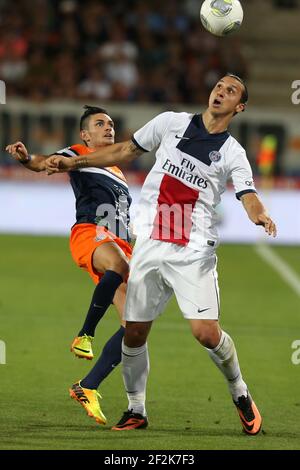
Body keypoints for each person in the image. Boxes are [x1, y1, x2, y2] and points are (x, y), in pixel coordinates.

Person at [45, 74, 277, 435]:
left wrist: (257, 211)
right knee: (134, 332)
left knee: (205, 333)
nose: (221, 92)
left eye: (231, 91)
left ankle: (240, 392)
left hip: (193, 250)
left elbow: (246, 192)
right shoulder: (172, 122)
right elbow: (125, 150)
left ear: (240, 107)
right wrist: (73, 163)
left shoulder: (233, 152)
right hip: (151, 243)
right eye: (219, 86)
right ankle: (136, 410)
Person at [6, 106, 133, 425]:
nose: (109, 128)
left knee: (135, 328)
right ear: (85, 135)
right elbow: (45, 163)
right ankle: (85, 334)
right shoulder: (78, 154)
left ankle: (87, 386)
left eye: (112, 124)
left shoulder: (117, 170)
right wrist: (26, 159)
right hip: (90, 234)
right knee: (117, 264)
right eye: (100, 124)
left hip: (119, 244)